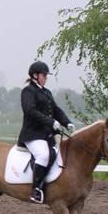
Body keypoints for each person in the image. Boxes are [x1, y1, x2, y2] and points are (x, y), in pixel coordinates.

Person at [17, 61, 74, 204]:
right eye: (44, 75)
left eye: (46, 75)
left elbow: (56, 110)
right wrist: (51, 122)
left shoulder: (46, 92)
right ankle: (35, 190)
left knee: (57, 154)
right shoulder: (28, 91)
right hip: (32, 134)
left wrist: (67, 122)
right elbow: (30, 111)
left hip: (46, 135)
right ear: (35, 75)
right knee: (43, 155)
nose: (46, 78)